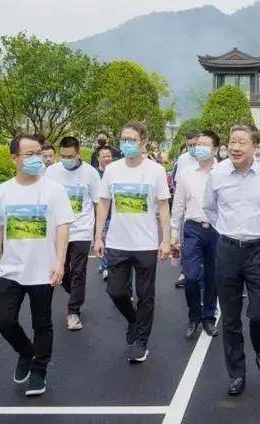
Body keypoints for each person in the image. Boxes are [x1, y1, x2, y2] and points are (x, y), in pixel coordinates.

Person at [0, 135, 74, 397]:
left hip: (43, 270)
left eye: (39, 153)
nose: (37, 158)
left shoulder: (54, 189)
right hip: (11, 270)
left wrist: (59, 261)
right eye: (29, 154)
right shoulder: (2, 192)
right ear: (14, 159)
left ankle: (39, 370)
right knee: (3, 321)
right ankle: (26, 351)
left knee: (42, 323)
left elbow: (63, 226)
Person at [203, 123, 260, 396]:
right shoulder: (216, 175)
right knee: (230, 317)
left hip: (258, 250)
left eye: (242, 142)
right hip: (227, 249)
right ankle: (237, 373)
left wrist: (259, 230)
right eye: (232, 141)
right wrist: (228, 230)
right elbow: (210, 209)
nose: (235, 147)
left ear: (256, 146)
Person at [94, 121, 171, 364]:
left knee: (145, 295)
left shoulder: (155, 171)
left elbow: (163, 206)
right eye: (123, 139)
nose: (126, 143)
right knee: (115, 291)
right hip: (117, 242)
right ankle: (133, 320)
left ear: (143, 143)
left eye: (132, 140)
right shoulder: (112, 170)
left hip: (146, 243)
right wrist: (98, 236)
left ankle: (141, 342)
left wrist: (166, 240)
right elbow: (104, 202)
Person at [45, 136, 101, 331]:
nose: (66, 160)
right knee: (63, 270)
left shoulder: (90, 173)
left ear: (78, 154)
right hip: (59, 229)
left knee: (78, 270)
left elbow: (98, 203)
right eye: (63, 156)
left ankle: (73, 311)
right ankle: (76, 293)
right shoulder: (51, 172)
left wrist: (98, 234)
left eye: (70, 156)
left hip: (81, 229)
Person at [170, 131, 221, 339]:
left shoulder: (224, 172)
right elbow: (178, 204)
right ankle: (194, 316)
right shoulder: (186, 174)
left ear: (215, 149)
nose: (199, 148)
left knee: (212, 276)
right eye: (197, 144)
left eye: (204, 145)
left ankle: (208, 317)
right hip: (192, 228)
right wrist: (174, 232)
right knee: (190, 276)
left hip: (217, 230)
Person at [172, 130, 201, 288]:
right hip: (187, 210)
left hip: (205, 211)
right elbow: (178, 185)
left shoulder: (209, 158)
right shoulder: (183, 159)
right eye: (189, 145)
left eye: (195, 144)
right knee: (186, 242)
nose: (192, 148)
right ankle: (185, 272)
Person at [95, 145, 114, 280]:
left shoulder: (116, 172)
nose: (107, 158)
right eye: (104, 156)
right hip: (102, 214)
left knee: (112, 242)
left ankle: (107, 265)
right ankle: (106, 266)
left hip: (115, 214)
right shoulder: (94, 174)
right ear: (98, 158)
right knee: (103, 240)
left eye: (109, 156)